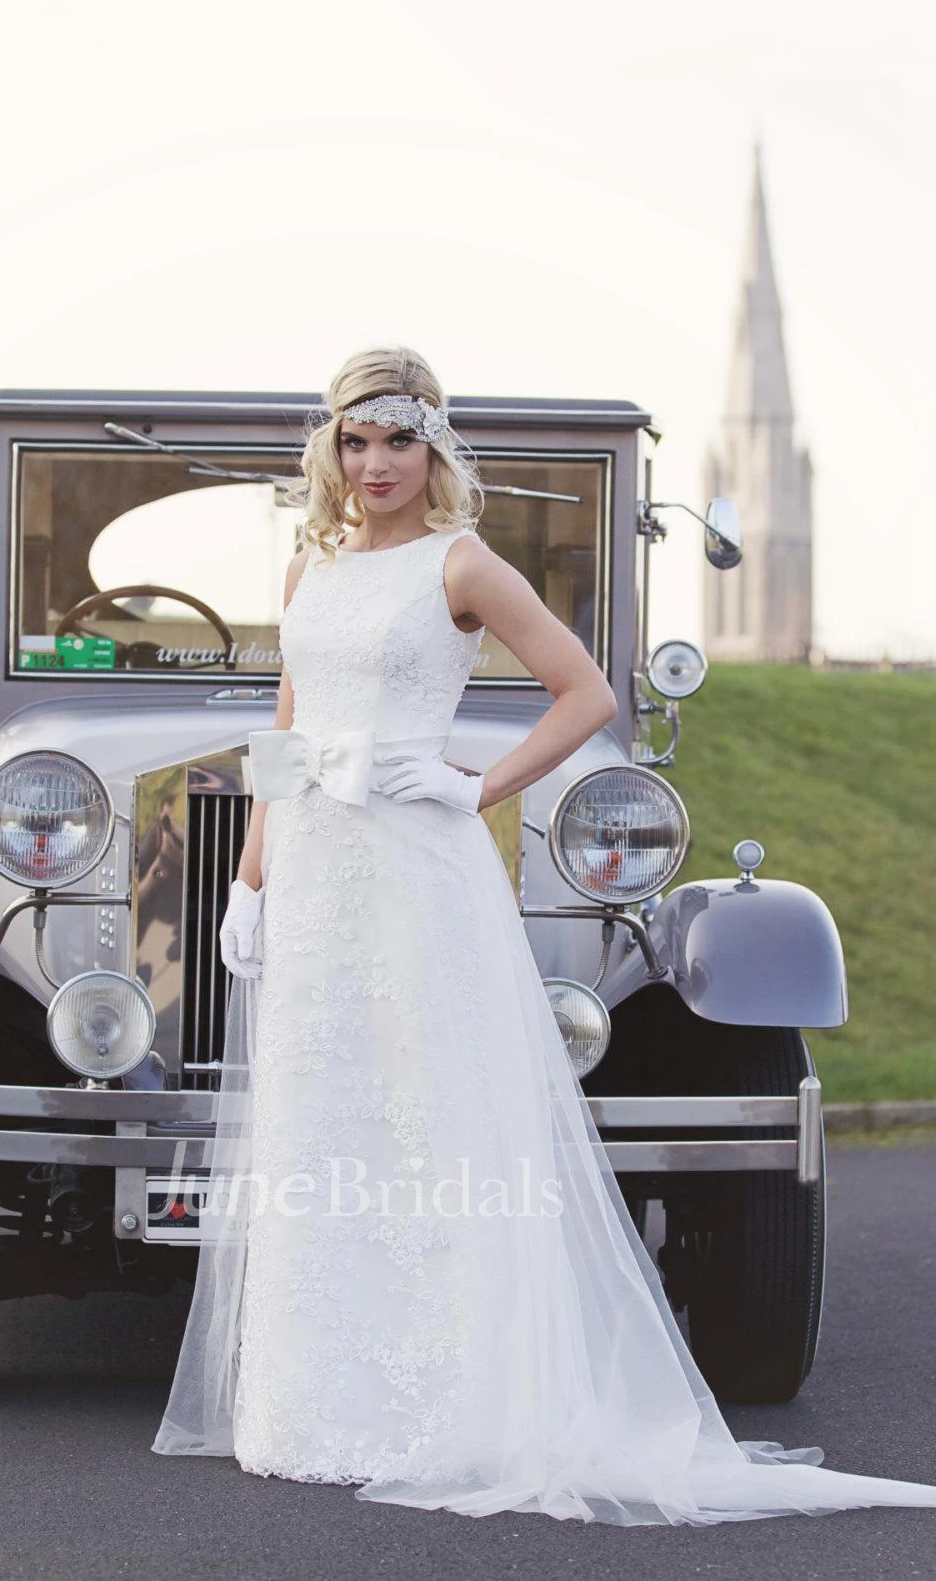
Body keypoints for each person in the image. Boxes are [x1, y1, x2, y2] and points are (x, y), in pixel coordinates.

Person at [154, 346, 936, 1526]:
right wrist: (252, 880)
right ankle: (312, 1406)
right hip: (317, 869)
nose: (374, 465)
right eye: (355, 441)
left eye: (398, 441)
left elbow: (586, 695)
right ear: (330, 449)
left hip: (418, 865)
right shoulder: (310, 565)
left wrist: (477, 788)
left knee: (432, 1115)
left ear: (434, 449)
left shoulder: (462, 563)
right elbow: (289, 725)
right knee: (329, 1119)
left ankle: (454, 1406)